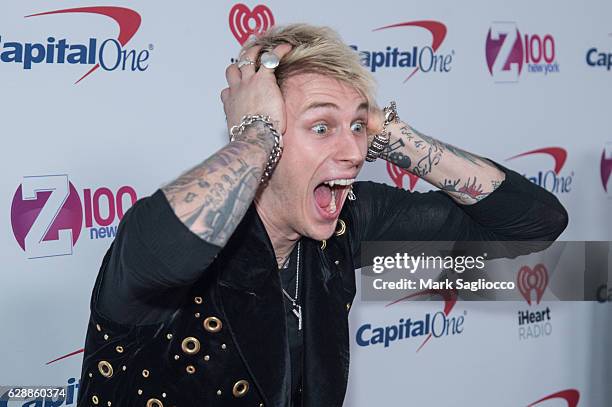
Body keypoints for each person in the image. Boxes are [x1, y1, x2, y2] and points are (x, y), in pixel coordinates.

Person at [76, 24, 568, 407]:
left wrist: (391, 134)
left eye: (357, 126)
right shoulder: (171, 241)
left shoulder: (345, 222)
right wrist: (256, 132)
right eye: (320, 126)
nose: (352, 150)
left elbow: (534, 225)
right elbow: (166, 251)